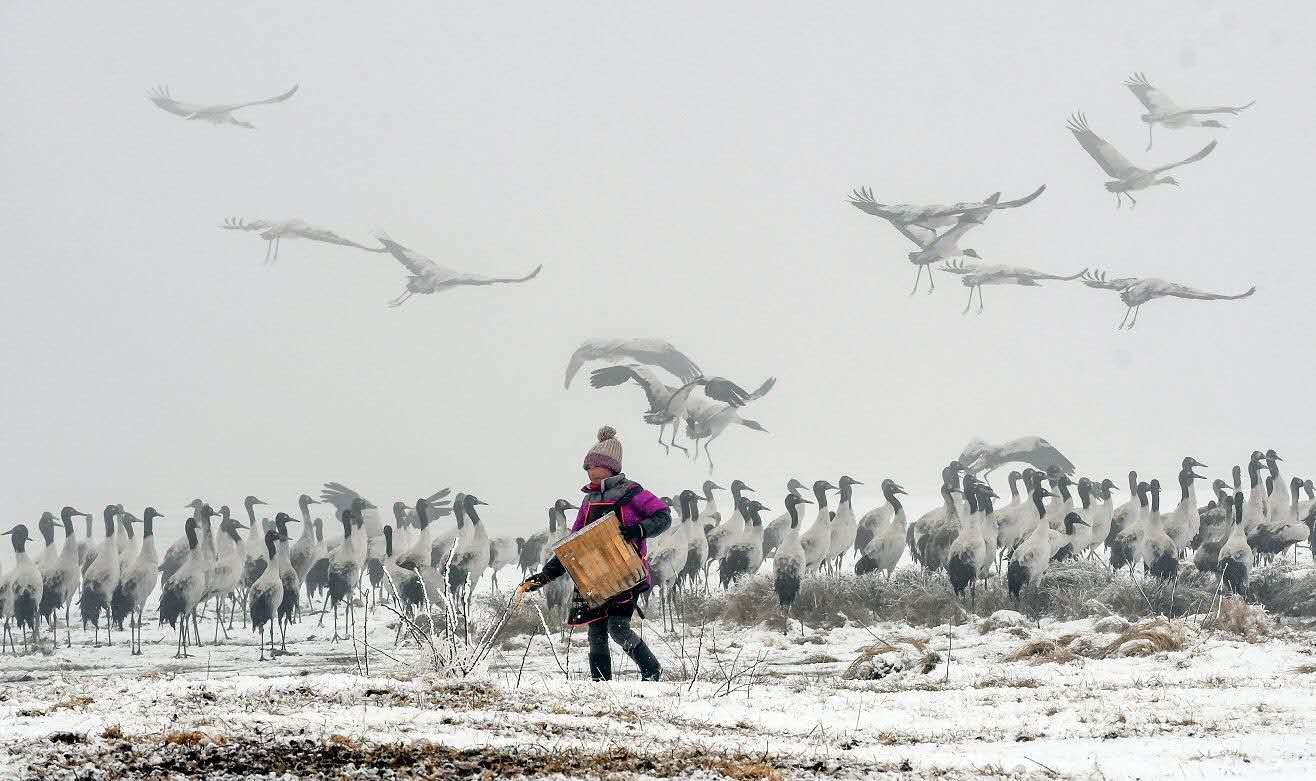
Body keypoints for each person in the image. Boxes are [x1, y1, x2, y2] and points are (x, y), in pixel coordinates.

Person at [520, 426, 670, 681]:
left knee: (619, 629)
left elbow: (663, 516)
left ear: (609, 467)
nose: (587, 470)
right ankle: (600, 684)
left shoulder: (633, 493)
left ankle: (652, 671)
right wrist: (544, 577)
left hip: (624, 575)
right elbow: (573, 547)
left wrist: (638, 530)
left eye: (591, 466)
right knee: (596, 632)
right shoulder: (588, 502)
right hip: (593, 579)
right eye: (587, 467)